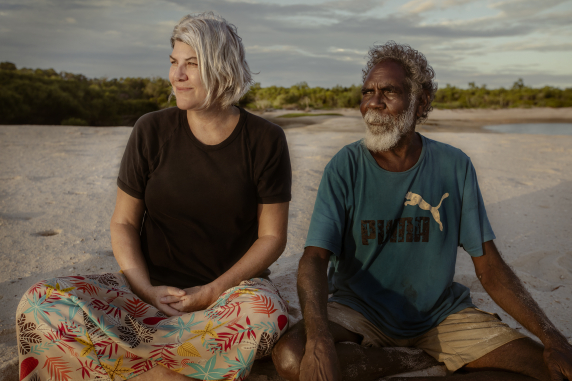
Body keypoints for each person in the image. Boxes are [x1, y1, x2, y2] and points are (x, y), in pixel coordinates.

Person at [272, 41, 572, 381]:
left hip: (440, 317)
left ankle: (425, 355)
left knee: (548, 369)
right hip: (357, 311)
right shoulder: (345, 166)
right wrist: (320, 339)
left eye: (389, 91)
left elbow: (488, 266)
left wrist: (551, 336)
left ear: (421, 100)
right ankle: (411, 360)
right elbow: (313, 258)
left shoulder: (454, 165)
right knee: (291, 358)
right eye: (367, 92)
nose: (373, 102)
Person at [17, 12, 291, 381]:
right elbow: (124, 222)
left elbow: (272, 237)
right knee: (39, 303)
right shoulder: (150, 129)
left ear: (221, 68)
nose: (176, 75)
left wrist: (211, 292)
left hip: (226, 299)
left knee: (266, 313)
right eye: (174, 63)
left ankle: (128, 367)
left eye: (190, 65)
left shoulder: (265, 139)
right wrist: (145, 290)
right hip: (144, 295)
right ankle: (170, 371)